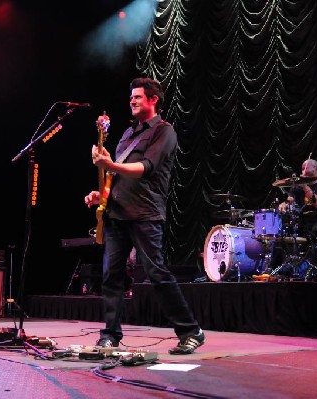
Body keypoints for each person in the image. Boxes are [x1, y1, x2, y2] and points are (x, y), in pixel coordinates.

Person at [84, 77, 205, 355]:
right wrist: (99, 195)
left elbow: (146, 168)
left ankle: (191, 331)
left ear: (153, 100)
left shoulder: (164, 132)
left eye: (138, 97)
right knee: (111, 276)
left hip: (145, 213)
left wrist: (110, 164)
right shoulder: (128, 135)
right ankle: (110, 335)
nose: (132, 101)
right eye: (131, 97)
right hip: (116, 214)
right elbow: (116, 177)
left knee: (156, 273)